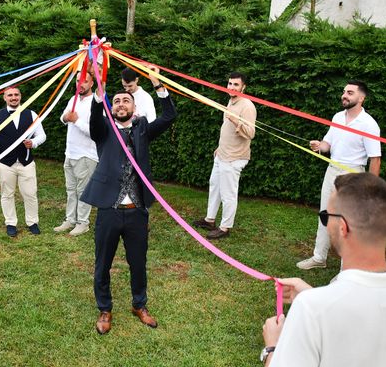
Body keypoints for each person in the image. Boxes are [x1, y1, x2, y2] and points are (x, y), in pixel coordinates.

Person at [261, 172, 386, 367]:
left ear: (343, 227)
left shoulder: (311, 309)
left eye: (326, 216)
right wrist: (314, 295)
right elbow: (374, 316)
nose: (326, 224)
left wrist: (274, 348)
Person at [81, 65, 176, 335]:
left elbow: (169, 115)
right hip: (109, 210)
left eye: (126, 100)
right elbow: (95, 118)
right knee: (103, 262)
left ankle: (139, 305)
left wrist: (158, 84)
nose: (121, 103)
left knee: (138, 261)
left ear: (135, 108)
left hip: (137, 211)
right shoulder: (103, 130)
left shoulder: (143, 129)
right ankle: (105, 308)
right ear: (112, 107)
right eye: (117, 100)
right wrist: (101, 92)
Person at [297, 80, 381, 270]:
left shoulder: (369, 124)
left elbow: (375, 159)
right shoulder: (337, 117)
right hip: (332, 170)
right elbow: (328, 144)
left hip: (353, 175)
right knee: (325, 214)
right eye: (344, 91)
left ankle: (346, 269)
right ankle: (319, 257)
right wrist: (320, 146)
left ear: (362, 98)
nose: (344, 95)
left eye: (350, 93)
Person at [193, 72, 256, 239]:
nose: (232, 87)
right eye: (229, 84)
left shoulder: (247, 106)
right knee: (215, 187)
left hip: (234, 158)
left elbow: (251, 133)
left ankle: (225, 228)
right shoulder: (231, 101)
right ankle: (210, 220)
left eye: (236, 84)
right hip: (222, 154)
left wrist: (236, 121)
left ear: (243, 87)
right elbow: (227, 129)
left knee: (228, 194)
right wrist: (219, 148)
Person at [0, 86, 46, 237]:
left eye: (16, 95)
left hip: (26, 162)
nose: (13, 97)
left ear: (20, 96)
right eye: (10, 95)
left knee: (30, 193)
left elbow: (42, 135)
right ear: (4, 98)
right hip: (4, 163)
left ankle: (32, 222)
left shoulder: (31, 114)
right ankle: (10, 223)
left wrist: (34, 142)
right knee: (7, 193)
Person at [54, 70, 98, 237]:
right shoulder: (73, 99)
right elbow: (62, 118)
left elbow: (95, 132)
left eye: (84, 81)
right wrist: (66, 117)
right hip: (70, 153)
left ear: (92, 83)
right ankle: (70, 219)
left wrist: (76, 121)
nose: (80, 84)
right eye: (78, 81)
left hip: (86, 155)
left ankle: (83, 222)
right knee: (71, 189)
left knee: (83, 190)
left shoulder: (95, 102)